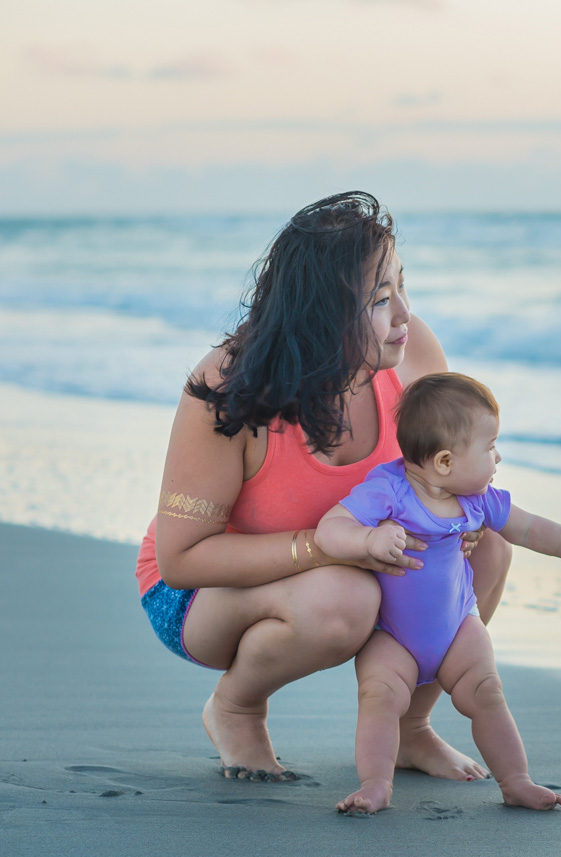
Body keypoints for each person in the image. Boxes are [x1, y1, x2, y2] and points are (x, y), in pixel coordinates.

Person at [135, 191, 510, 782]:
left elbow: (456, 474)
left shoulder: (410, 354)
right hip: (199, 596)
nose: (406, 315)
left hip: (358, 560)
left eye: (404, 288)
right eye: (381, 299)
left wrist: (459, 520)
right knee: (343, 598)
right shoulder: (231, 384)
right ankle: (236, 707)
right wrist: (327, 545)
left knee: (488, 547)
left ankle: (410, 728)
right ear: (321, 313)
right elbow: (183, 559)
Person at [315, 372, 561, 814]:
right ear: (444, 462)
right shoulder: (390, 489)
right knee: (379, 699)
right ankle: (376, 784)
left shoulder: (479, 499)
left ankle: (516, 780)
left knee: (487, 694)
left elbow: (530, 527)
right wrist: (367, 541)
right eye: (490, 446)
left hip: (458, 625)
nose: (498, 457)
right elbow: (331, 528)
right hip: (391, 637)